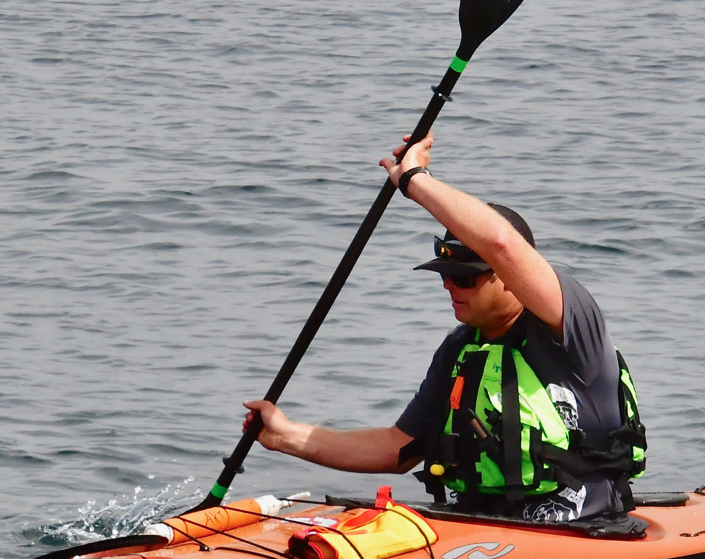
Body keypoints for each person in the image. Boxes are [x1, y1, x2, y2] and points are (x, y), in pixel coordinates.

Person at [243, 132, 644, 523]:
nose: (449, 285)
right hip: (476, 529)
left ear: (507, 276)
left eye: (463, 277)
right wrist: (285, 435)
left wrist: (416, 182)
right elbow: (396, 448)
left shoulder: (570, 327)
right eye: (444, 276)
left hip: (580, 530)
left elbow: (501, 243)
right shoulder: (461, 349)